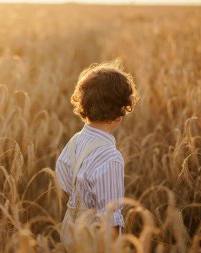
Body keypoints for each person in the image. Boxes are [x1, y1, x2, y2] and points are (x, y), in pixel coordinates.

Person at [55, 60, 138, 247]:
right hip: (94, 240)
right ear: (120, 113)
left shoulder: (76, 140)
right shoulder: (111, 157)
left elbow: (62, 179)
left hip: (70, 230)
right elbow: (110, 218)